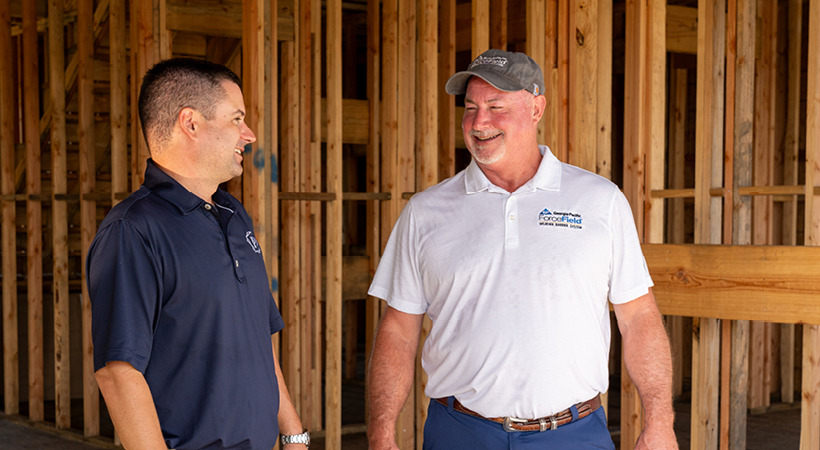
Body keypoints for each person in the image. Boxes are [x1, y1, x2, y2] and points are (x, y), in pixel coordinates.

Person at [366, 49, 677, 450]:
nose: (480, 123)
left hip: (573, 433)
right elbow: (398, 330)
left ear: (536, 108)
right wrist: (380, 433)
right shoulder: (426, 212)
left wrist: (660, 422)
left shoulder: (601, 201)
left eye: (496, 107)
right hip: (460, 433)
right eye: (471, 107)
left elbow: (637, 318)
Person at [87, 58, 309, 450]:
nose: (249, 134)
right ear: (190, 123)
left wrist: (293, 433)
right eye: (236, 119)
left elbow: (258, 333)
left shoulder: (234, 214)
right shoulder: (133, 231)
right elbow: (119, 373)